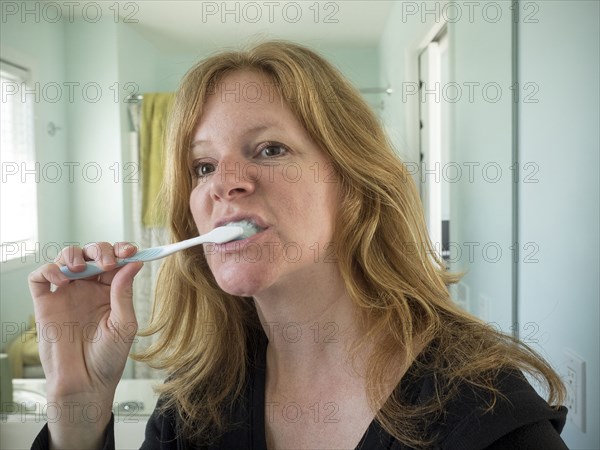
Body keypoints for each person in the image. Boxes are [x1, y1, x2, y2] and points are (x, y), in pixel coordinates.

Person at [29, 41, 568, 450]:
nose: (224, 183)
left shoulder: (486, 414)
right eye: (203, 165)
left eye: (268, 149)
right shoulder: (192, 409)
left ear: (353, 185)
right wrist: (78, 414)